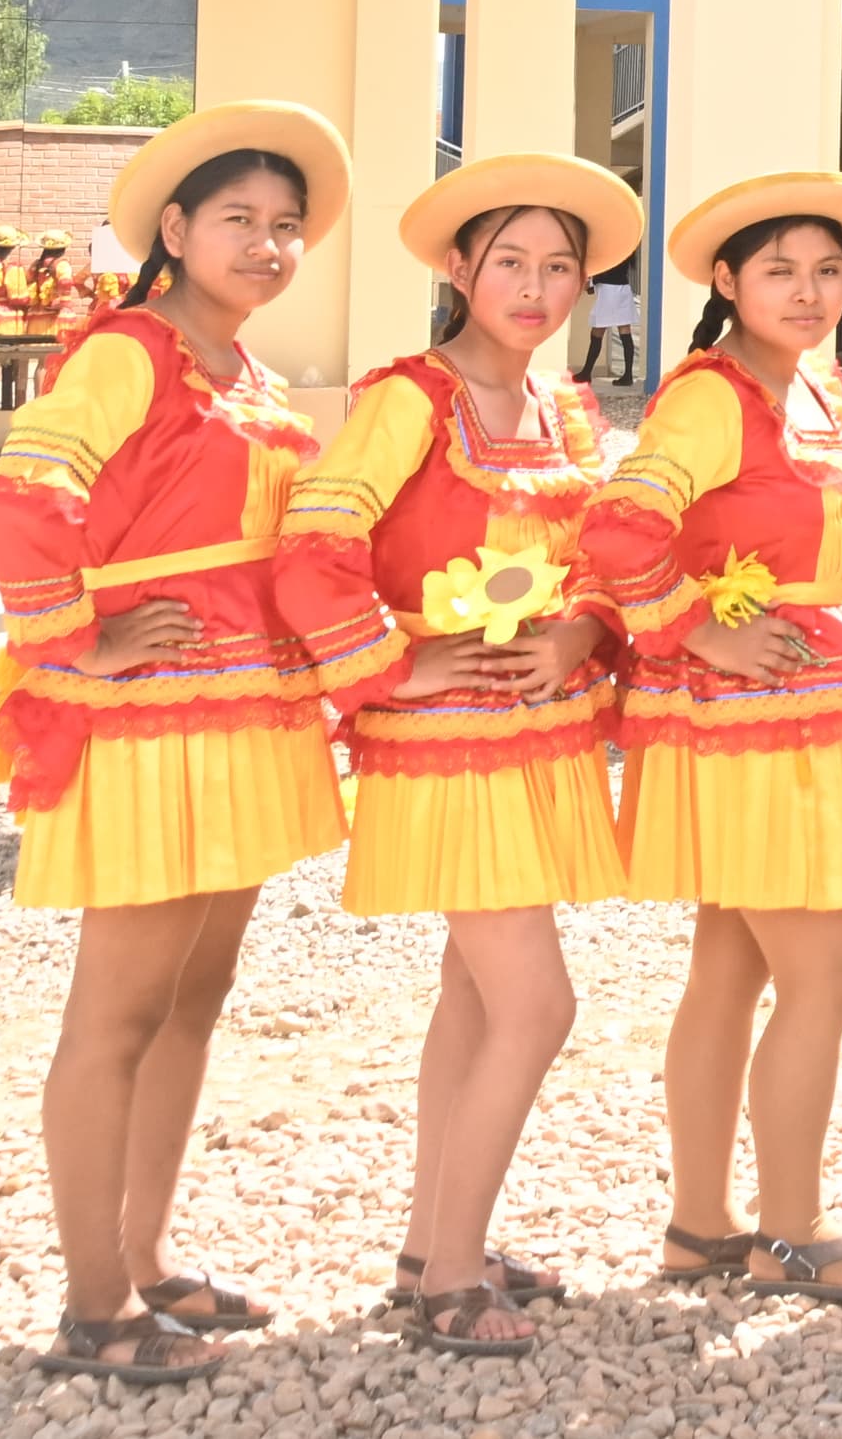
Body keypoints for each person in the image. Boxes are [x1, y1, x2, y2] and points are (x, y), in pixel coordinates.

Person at [0, 101, 354, 1386]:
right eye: (239, 218)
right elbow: (20, 497)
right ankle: (93, 1306)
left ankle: (143, 1254)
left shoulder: (242, 369)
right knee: (120, 1006)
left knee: (195, 992)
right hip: (151, 721)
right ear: (175, 230)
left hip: (242, 707)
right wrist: (76, 636)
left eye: (286, 225)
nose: (266, 243)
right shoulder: (131, 351)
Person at [273, 153, 639, 1359]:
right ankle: (450, 1275)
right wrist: (394, 663)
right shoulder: (408, 401)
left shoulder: (566, 408)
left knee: (475, 995)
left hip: (537, 732)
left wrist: (581, 630)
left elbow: (597, 561)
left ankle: (433, 1242)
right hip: (447, 746)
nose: (535, 287)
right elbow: (313, 545)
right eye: (510, 262)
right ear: (456, 268)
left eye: (558, 266)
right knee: (538, 1002)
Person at [581, 169, 842, 1306]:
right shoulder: (712, 395)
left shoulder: (809, 384)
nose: (810, 291)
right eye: (780, 270)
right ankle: (792, 1226)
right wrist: (697, 627)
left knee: (730, 965)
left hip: (793, 698)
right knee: (826, 963)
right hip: (748, 709)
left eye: (828, 270)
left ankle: (701, 1223)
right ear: (726, 281)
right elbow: (619, 525)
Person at [585, 247, 641, 387]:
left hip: (609, 291)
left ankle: (586, 372)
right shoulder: (626, 249)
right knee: (625, 331)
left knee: (597, 332)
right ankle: (628, 375)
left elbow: (607, 270)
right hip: (622, 289)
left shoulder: (613, 249)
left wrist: (591, 282)